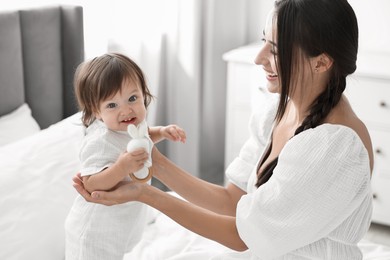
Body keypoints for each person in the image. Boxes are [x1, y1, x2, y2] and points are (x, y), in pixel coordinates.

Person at [73, 0, 375, 259]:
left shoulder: (334, 148)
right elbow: (233, 200)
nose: (259, 59)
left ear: (321, 62)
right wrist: (154, 162)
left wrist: (146, 195)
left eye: (275, 51)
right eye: (263, 43)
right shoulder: (278, 111)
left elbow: (242, 235)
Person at [64, 53, 186, 260]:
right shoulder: (100, 142)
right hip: (93, 233)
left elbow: (142, 136)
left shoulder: (132, 125)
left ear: (143, 94)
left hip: (117, 228)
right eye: (112, 105)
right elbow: (91, 184)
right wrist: (120, 168)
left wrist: (162, 132)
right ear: (96, 111)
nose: (126, 110)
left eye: (132, 98)